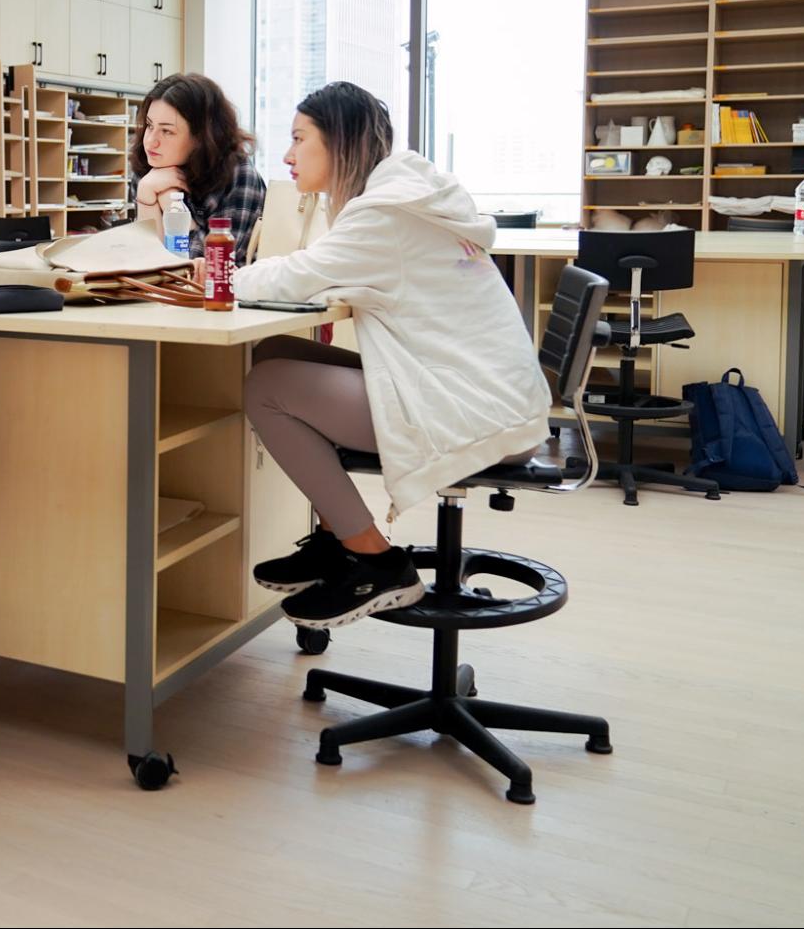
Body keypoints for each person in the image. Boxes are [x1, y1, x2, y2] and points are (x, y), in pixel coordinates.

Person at [235, 81, 550, 630]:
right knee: (277, 352)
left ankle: (377, 563)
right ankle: (335, 540)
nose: (286, 155)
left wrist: (215, 281)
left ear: (341, 143)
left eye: (298, 139)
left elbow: (299, 275)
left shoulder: (385, 215)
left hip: (471, 410)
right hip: (481, 393)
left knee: (269, 387)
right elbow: (319, 272)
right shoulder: (405, 199)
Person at [132, 72, 266, 263]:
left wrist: (170, 203)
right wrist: (146, 193)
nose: (151, 142)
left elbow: (208, 269)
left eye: (167, 131)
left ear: (201, 137)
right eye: (149, 125)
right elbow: (144, 265)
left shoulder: (237, 175)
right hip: (162, 292)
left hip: (226, 291)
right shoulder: (149, 170)